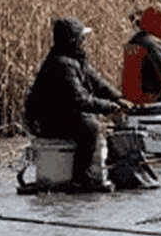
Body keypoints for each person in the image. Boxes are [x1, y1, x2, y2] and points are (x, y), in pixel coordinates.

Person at [24, 17, 132, 191]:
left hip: (61, 115)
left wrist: (118, 99)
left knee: (90, 121)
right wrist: (109, 107)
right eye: (82, 38)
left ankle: (88, 173)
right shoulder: (62, 64)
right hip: (48, 121)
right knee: (91, 127)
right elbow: (80, 99)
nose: (85, 42)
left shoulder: (74, 60)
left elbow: (98, 83)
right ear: (74, 40)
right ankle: (81, 178)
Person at [122, 3, 161, 104]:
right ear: (159, 24)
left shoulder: (134, 41)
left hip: (130, 98)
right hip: (149, 100)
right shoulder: (154, 44)